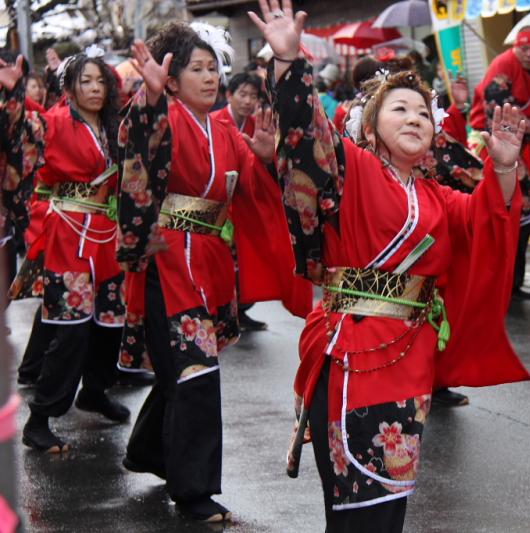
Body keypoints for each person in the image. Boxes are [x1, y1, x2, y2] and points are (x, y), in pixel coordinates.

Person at [248, 1, 530, 530]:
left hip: (410, 356)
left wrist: (506, 168)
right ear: (370, 126)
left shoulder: (436, 197)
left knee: (387, 506)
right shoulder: (351, 169)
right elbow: (308, 137)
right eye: (399, 109)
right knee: (362, 511)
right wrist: (290, 62)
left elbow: (488, 219)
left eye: (423, 112)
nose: (415, 118)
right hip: (353, 351)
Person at [118, 22, 310, 522]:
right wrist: (151, 103)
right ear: (171, 77)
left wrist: (267, 160)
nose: (210, 78)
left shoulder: (225, 129)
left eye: (213, 68)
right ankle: (193, 490)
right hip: (165, 257)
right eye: (196, 69)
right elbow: (139, 151)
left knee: (182, 368)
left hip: (206, 260)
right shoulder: (163, 115)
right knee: (195, 370)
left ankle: (146, 451)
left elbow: (254, 191)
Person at [0, 47, 131, 453]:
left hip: (107, 235)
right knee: (69, 330)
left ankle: (94, 390)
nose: (94, 89)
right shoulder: (52, 122)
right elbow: (18, 137)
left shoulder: (115, 126)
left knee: (111, 323)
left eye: (100, 81)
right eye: (85, 81)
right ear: (69, 88)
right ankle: (40, 418)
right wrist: (14, 94)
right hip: (68, 234)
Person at [470, 25, 530, 301]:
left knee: (524, 216)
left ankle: (513, 281)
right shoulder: (503, 64)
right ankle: (496, 282)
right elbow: (494, 106)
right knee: (500, 212)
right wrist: (525, 123)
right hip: (499, 147)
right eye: (525, 48)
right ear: (516, 46)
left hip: (528, 149)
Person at [211, 71, 270, 332]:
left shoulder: (256, 125)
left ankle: (242, 310)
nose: (247, 101)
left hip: (245, 201)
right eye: (242, 94)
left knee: (247, 260)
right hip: (221, 202)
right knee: (223, 263)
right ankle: (221, 312)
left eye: (253, 96)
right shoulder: (214, 121)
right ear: (229, 95)